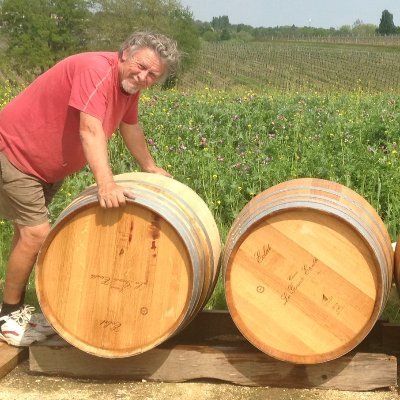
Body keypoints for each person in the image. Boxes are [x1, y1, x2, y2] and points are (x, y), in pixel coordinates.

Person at [0, 31, 181, 346]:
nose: (143, 76)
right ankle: (7, 318)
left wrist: (149, 166)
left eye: (153, 75)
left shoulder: (129, 87)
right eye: (141, 66)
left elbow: (130, 125)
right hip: (15, 153)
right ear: (124, 53)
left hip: (42, 167)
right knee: (36, 234)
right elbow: (90, 127)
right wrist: (105, 182)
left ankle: (15, 313)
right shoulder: (97, 70)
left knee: (24, 236)